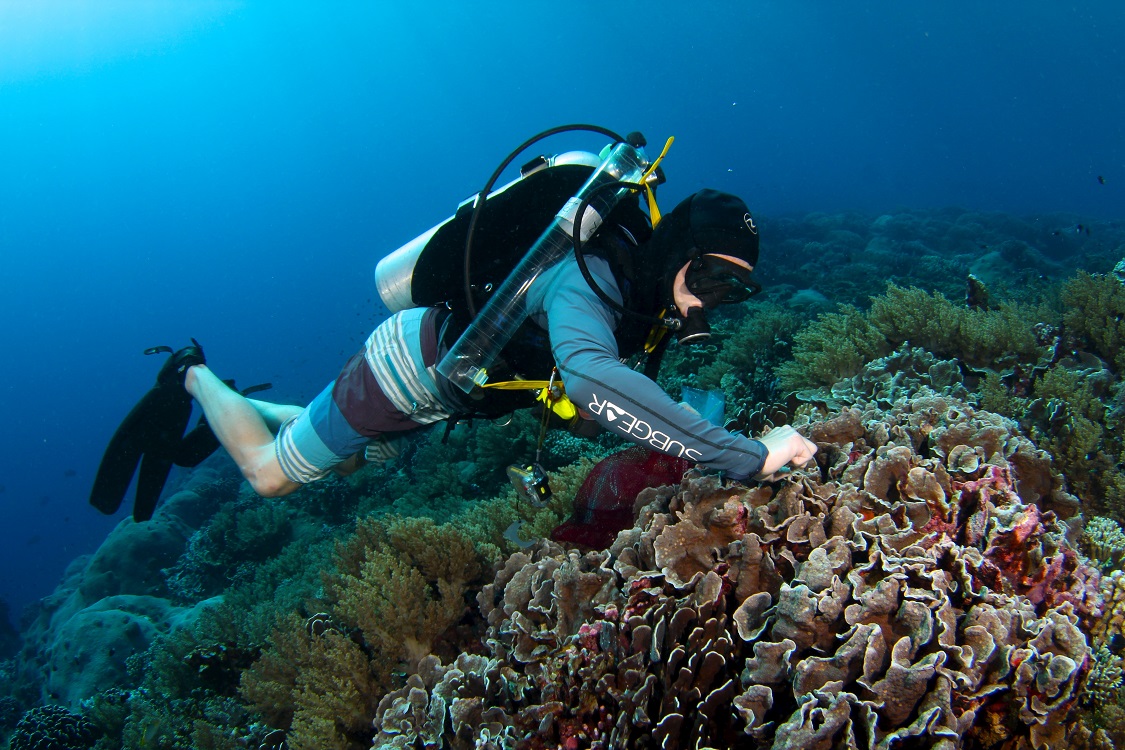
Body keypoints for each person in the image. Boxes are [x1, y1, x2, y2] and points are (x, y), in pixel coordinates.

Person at [91, 183, 816, 519]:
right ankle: (192, 374)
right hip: (397, 376)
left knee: (344, 462)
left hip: (440, 395)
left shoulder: (637, 301)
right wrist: (742, 455)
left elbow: (576, 397)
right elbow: (594, 385)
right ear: (680, 253)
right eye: (715, 278)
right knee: (269, 479)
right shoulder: (587, 278)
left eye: (736, 294)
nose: (713, 302)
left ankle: (251, 407)